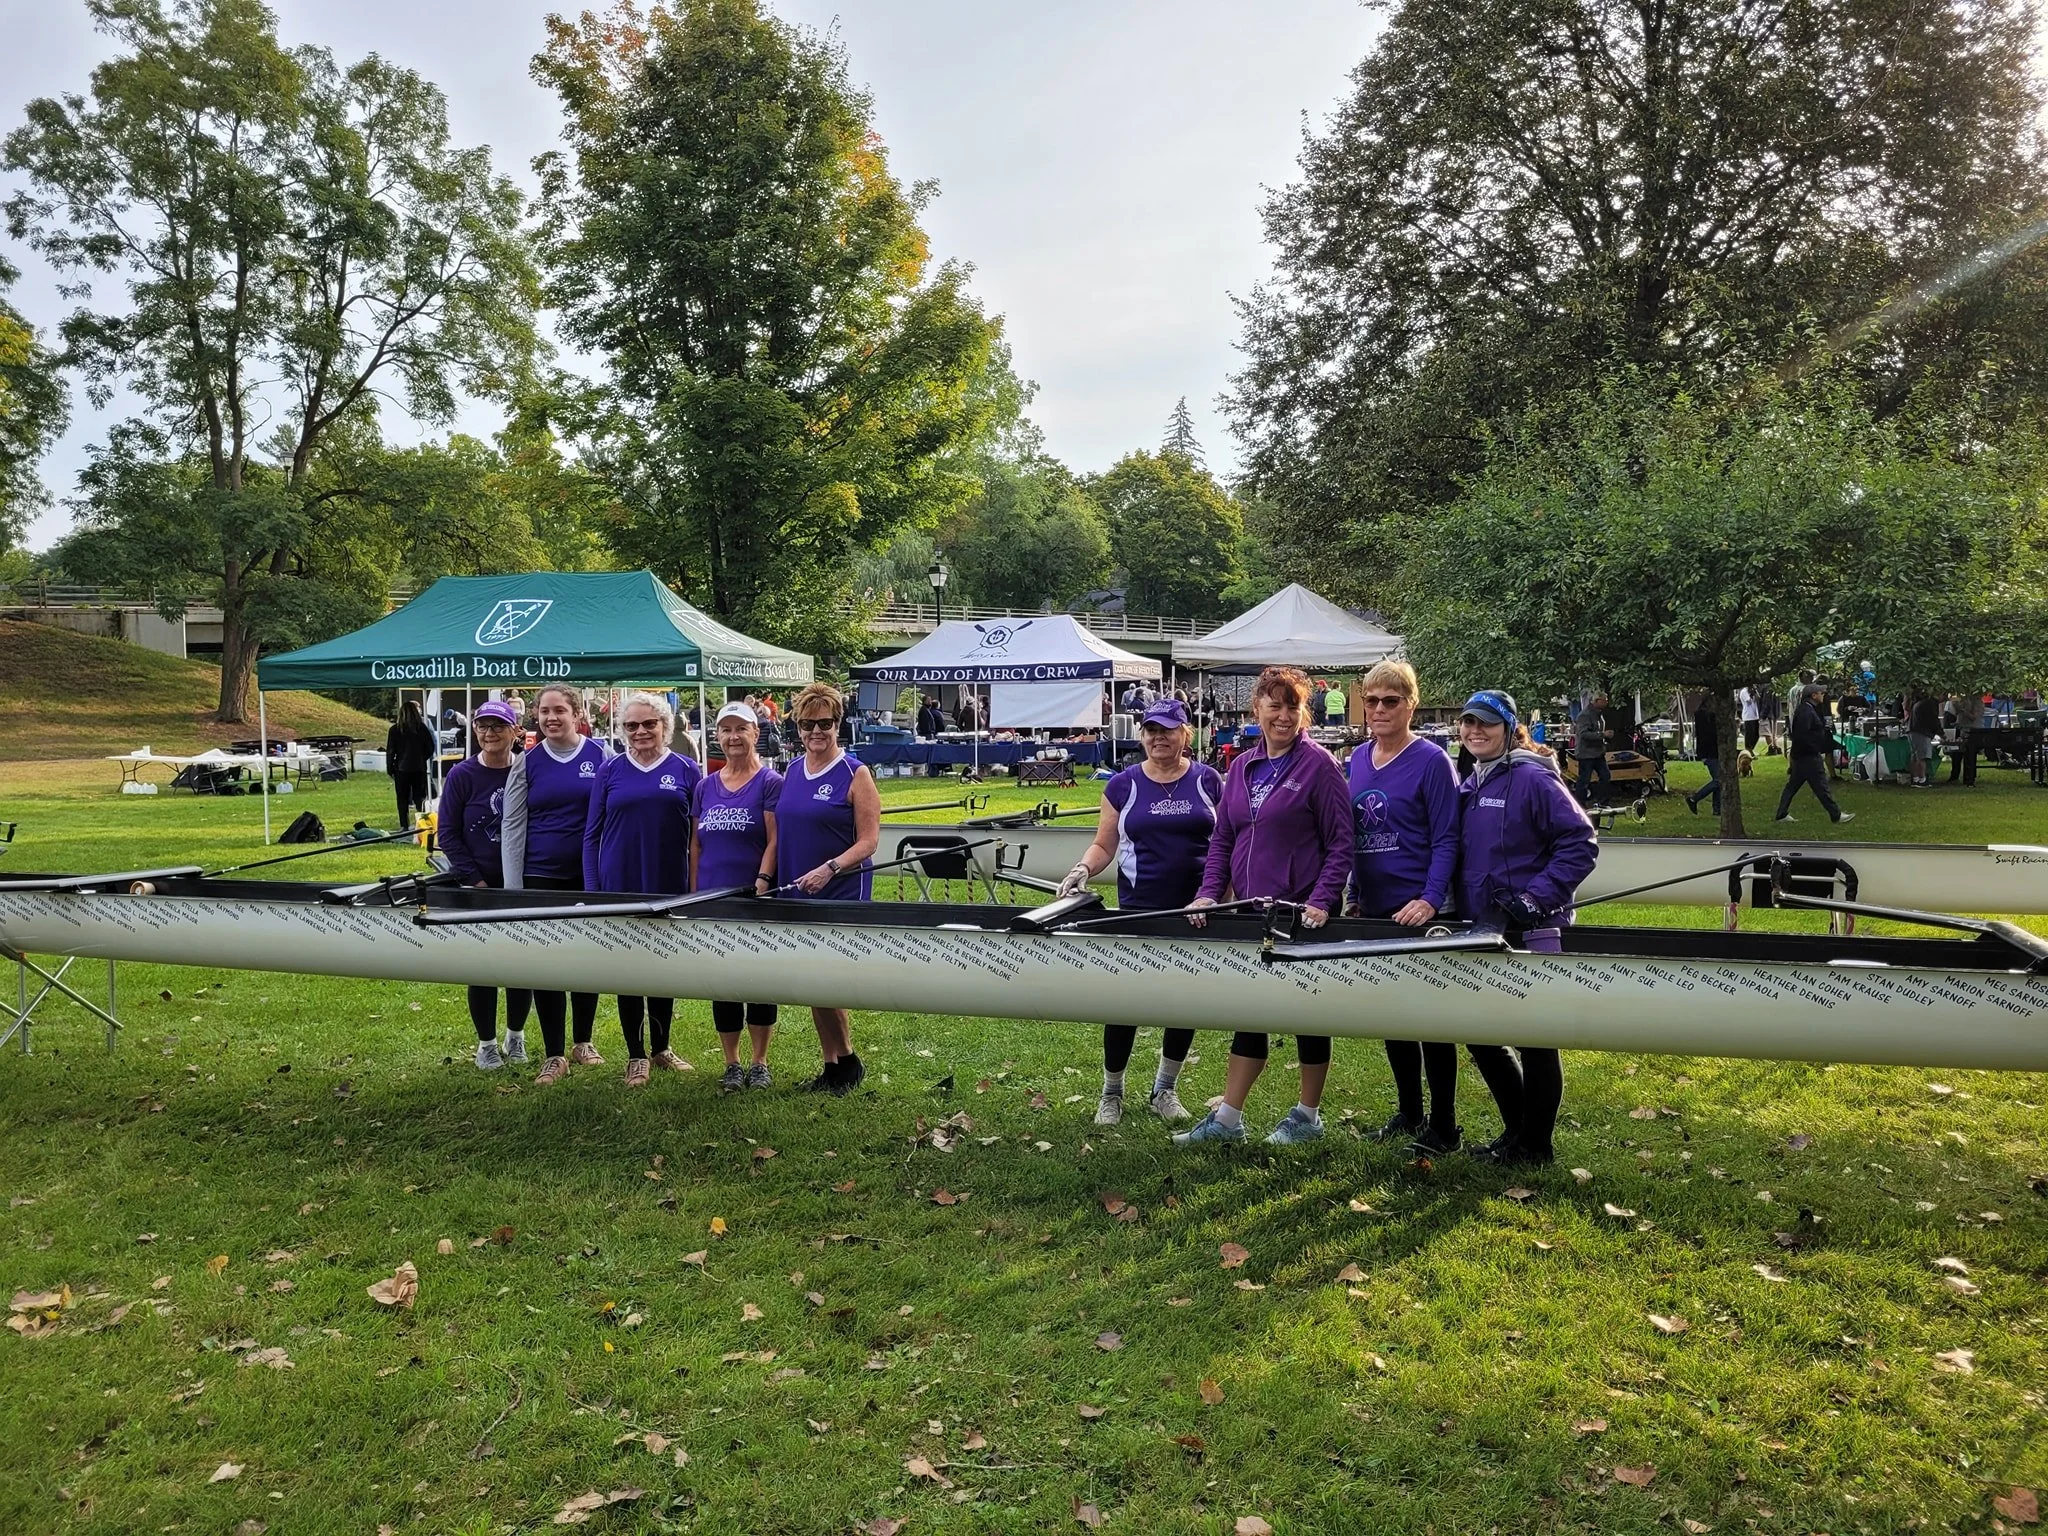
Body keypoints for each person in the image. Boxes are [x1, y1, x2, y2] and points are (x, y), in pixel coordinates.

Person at [1176, 666, 1353, 1146]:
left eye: (1292, 705)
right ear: (1256, 709)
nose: (1283, 714)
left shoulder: (1320, 767)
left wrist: (1322, 900)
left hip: (1302, 913)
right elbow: (1224, 839)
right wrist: (1211, 892)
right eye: (1274, 704)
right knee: (1248, 1007)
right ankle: (1229, 1120)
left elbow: (1341, 844)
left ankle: (1307, 1117)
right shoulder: (1241, 767)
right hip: (1250, 909)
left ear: (1304, 713)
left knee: (1304, 1013)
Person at [1057, 699, 1222, 1126]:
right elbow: (1104, 844)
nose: (1158, 738)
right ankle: (1111, 1091)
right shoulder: (1122, 785)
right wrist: (1082, 868)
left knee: (1185, 1002)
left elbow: (1227, 843)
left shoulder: (1209, 781)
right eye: (1150, 730)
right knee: (1125, 1002)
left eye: (1167, 730)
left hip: (1195, 910)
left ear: (1186, 735)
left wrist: (1222, 892)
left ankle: (1165, 1088)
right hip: (1139, 909)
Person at [1453, 690, 1598, 1165]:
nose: (1475, 731)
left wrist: (1535, 899)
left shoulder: (1533, 779)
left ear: (1509, 728)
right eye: (1468, 723)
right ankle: (1517, 1134)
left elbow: (1580, 842)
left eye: (1486, 724)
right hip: (1486, 926)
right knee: (1480, 1030)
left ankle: (1535, 1146)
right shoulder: (1474, 781)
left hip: (1533, 927)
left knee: (1534, 1036)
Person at [1345, 661, 1461, 1152]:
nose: (1378, 710)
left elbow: (1448, 837)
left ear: (1411, 704)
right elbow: (1350, 835)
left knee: (1431, 1020)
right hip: (1375, 906)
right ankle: (1409, 1112)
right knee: (1393, 1016)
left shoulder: (1432, 760)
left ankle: (1443, 1124)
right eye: (1371, 701)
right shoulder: (1356, 759)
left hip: (1419, 906)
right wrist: (1352, 895)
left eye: (1390, 701)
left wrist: (1431, 898)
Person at [584, 693, 703, 1086]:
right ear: (622, 730)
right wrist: (595, 890)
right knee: (629, 970)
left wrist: (693, 886)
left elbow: (698, 837)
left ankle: (662, 1048)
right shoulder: (610, 770)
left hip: (668, 882)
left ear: (665, 726)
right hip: (620, 884)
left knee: (662, 967)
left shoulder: (687, 769)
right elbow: (591, 836)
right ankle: (636, 1056)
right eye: (632, 725)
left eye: (649, 724)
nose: (640, 732)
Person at [776, 681, 882, 1094]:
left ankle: (848, 1060)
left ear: (838, 724)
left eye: (824, 723)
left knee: (826, 980)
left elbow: (869, 840)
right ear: (798, 728)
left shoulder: (855, 773)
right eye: (807, 724)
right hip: (798, 887)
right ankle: (832, 1064)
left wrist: (831, 868)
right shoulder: (791, 770)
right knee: (809, 981)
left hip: (839, 889)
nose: (815, 732)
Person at [502, 685, 610, 1085]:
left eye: (559, 710)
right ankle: (553, 1053)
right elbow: (512, 823)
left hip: (588, 877)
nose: (551, 718)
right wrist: (515, 887)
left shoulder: (601, 757)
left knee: (585, 959)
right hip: (540, 875)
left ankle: (583, 1041)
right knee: (546, 964)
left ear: (577, 713)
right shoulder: (527, 763)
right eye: (544, 711)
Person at [436, 700, 532, 1071]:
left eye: (498, 726)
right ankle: (487, 1043)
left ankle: (516, 1036)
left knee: (520, 964)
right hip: (476, 885)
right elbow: (447, 832)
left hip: (518, 882)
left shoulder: (525, 771)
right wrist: (472, 878)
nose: (489, 733)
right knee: (482, 965)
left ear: (514, 731)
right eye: (483, 726)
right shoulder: (462, 775)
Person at [693, 702, 783, 1091]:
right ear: (718, 737)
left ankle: (759, 1062)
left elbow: (775, 838)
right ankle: (731, 1063)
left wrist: (763, 879)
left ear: (755, 734)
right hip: (713, 898)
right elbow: (695, 844)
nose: (733, 737)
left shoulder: (769, 783)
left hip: (754, 896)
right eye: (725, 730)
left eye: (740, 729)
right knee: (723, 981)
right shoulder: (704, 786)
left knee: (758, 979)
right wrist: (694, 892)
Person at [1774, 680, 1855, 825]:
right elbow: (1803, 734)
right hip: (1808, 756)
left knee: (1792, 786)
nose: (1823, 694)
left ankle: (1781, 814)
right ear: (1813, 695)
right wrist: (1815, 747)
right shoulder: (1806, 711)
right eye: (1821, 692)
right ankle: (1836, 815)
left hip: (1802, 755)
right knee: (1821, 787)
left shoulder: (1806, 709)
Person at [385, 700, 435, 830]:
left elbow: (390, 751)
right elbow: (430, 747)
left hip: (401, 768)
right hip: (419, 767)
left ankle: (404, 825)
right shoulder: (422, 728)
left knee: (402, 798)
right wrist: (422, 758)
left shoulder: (395, 729)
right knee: (420, 797)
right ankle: (422, 823)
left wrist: (390, 768)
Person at [1572, 692, 1611, 807]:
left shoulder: (1599, 715)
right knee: (1584, 780)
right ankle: (1580, 804)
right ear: (1596, 701)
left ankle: (1602, 802)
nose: (1606, 702)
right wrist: (1602, 735)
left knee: (1605, 776)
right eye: (1604, 700)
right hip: (1586, 754)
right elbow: (1584, 734)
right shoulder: (1585, 715)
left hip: (1598, 753)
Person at [1685, 697, 1722, 817]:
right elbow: (1709, 735)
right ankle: (1695, 798)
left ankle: (1717, 809)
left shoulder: (1702, 716)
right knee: (1719, 780)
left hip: (1708, 752)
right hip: (1711, 752)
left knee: (1718, 780)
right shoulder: (1709, 717)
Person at [1908, 692, 1941, 787]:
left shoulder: (1920, 703)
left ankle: (1915, 778)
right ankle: (1922, 780)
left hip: (1913, 730)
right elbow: (1933, 720)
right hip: (1921, 732)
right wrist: (1940, 733)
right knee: (1922, 756)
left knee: (1914, 756)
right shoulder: (1930, 704)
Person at [1738, 686, 1761, 754]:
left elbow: (1758, 698)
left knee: (1756, 734)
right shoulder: (1744, 691)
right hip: (1748, 716)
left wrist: (1755, 692)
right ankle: (1748, 749)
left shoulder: (1753, 691)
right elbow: (1749, 701)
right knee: (1749, 735)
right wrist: (1751, 694)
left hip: (1755, 716)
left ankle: (1751, 748)